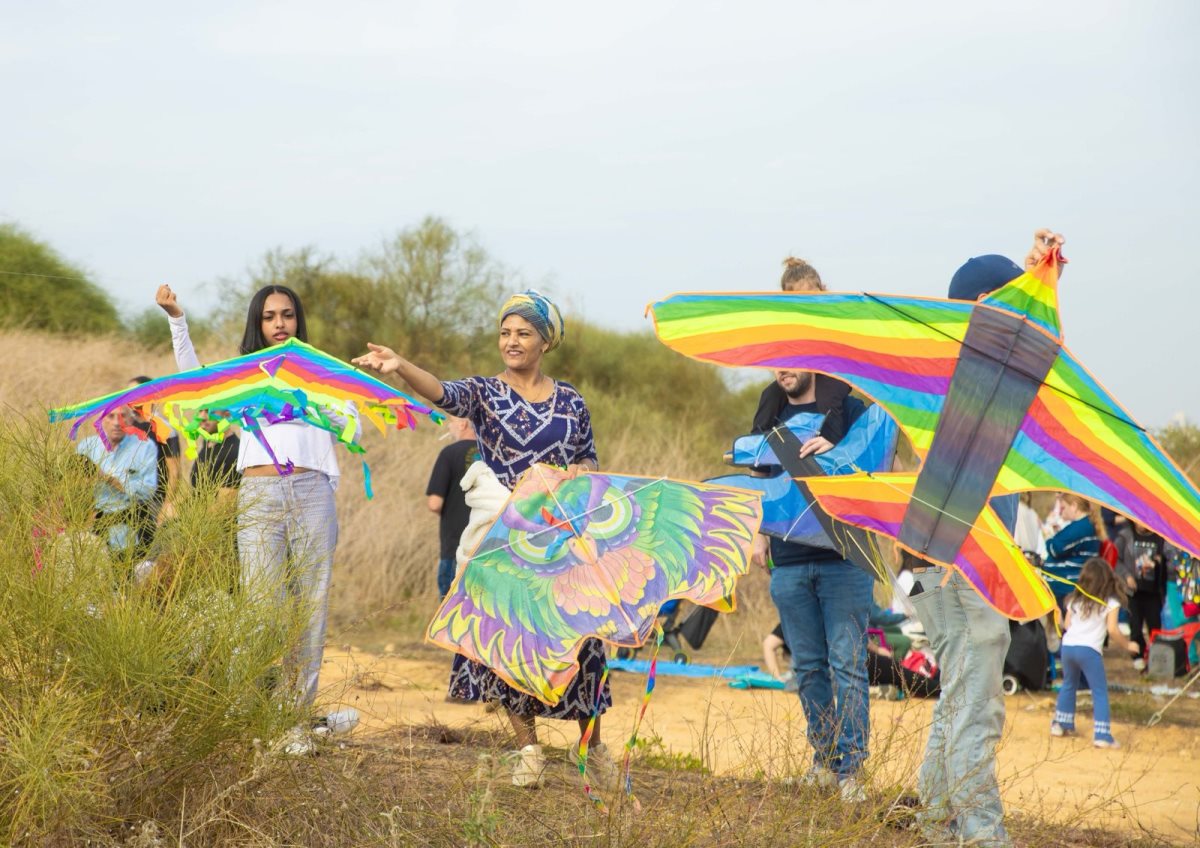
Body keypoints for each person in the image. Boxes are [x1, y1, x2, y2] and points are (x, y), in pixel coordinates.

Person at [353, 290, 609, 789]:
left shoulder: (571, 400)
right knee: (509, 640)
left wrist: (581, 469)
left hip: (560, 537)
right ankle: (528, 750)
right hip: (506, 536)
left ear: (545, 342)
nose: (511, 342)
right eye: (505, 333)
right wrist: (401, 365)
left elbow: (591, 457)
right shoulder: (485, 393)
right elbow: (441, 392)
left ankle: (593, 750)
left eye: (523, 333)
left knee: (582, 642)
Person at [906, 228, 1066, 848]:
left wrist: (1042, 278)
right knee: (977, 706)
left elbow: (1035, 352)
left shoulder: (949, 375)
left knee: (957, 695)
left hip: (934, 560)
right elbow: (1031, 358)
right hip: (963, 561)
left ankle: (936, 822)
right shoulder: (969, 379)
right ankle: (979, 833)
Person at [156, 284, 344, 748]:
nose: (279, 323)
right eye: (268, 317)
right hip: (258, 493)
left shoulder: (318, 373)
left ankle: (294, 720)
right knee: (261, 608)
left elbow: (349, 421)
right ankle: (246, 718)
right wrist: (176, 318)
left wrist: (317, 406)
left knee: (309, 605)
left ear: (298, 320)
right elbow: (194, 379)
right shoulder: (243, 377)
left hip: (312, 490)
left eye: (286, 315)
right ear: (256, 324)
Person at [750, 365, 875, 802]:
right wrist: (758, 534)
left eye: (793, 358)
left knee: (848, 665)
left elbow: (878, 462)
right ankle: (823, 763)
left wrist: (839, 451)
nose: (783, 369)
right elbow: (760, 480)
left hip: (846, 557)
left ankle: (852, 771)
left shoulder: (852, 409)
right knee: (808, 667)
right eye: (776, 361)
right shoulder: (769, 414)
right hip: (787, 560)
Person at [1051, 557, 1139, 747]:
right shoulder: (1110, 602)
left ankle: (1060, 723)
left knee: (1068, 684)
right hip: (1089, 650)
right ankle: (1102, 735)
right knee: (1099, 691)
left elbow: (1066, 625)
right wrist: (1128, 645)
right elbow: (1113, 630)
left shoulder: (1074, 599)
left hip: (1068, 647)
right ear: (1107, 579)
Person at [76, 406, 158, 553]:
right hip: (94, 530)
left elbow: (148, 490)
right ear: (101, 420)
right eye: (111, 416)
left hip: (132, 531)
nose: (117, 422)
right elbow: (73, 488)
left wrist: (109, 480)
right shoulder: (86, 447)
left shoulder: (144, 446)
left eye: (122, 416)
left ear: (132, 419)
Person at [425, 416, 479, 598]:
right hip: (489, 545)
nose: (449, 426)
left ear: (463, 424)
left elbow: (434, 503)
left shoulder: (449, 453)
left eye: (451, 421)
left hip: (455, 547)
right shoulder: (494, 456)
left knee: (450, 613)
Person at [1114, 521, 1168, 671]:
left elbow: (1167, 557)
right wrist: (1126, 576)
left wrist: (1159, 561)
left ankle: (1155, 659)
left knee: (1154, 627)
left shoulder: (1159, 537)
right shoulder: (1125, 536)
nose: (1141, 525)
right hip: (1133, 592)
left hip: (1153, 592)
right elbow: (1115, 559)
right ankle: (1137, 657)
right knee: (1135, 626)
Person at [1044, 493, 1105, 601]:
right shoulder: (1085, 525)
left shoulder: (1079, 527)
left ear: (1074, 506)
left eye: (1063, 507)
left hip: (1067, 587)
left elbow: (1055, 549)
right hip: (1071, 585)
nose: (1061, 511)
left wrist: (1048, 534)